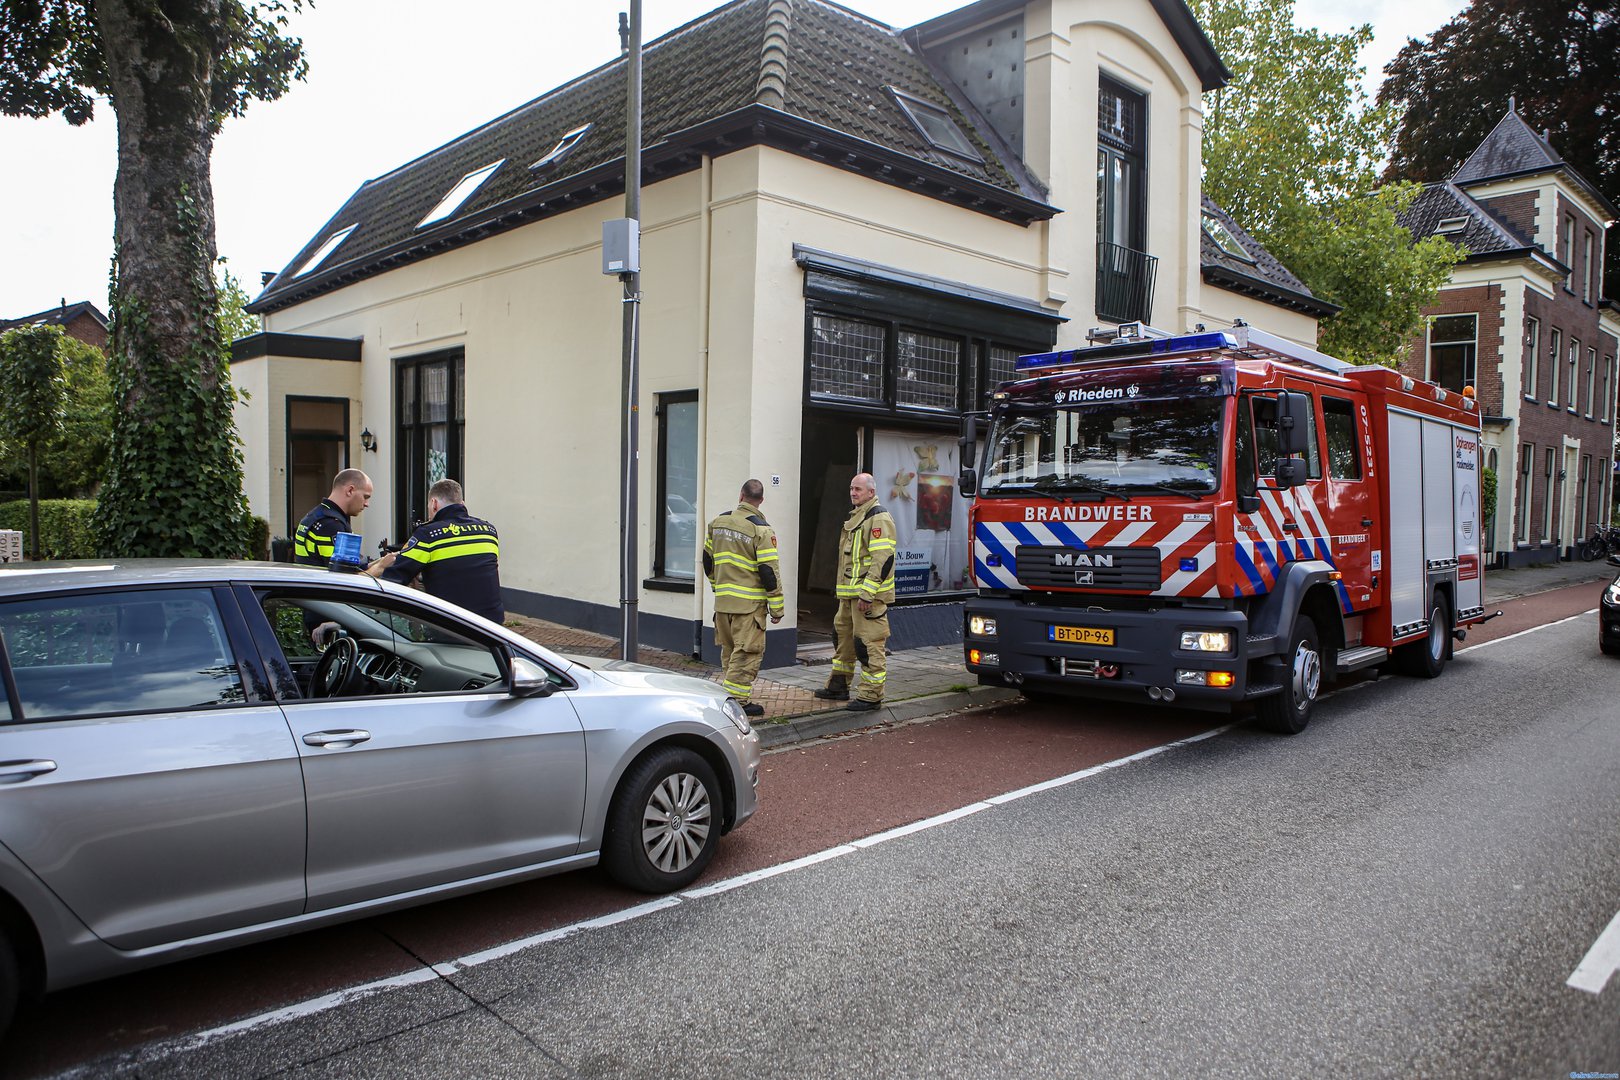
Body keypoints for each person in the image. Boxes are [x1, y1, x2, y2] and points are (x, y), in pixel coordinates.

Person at [814, 472, 896, 711]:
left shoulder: (877, 518)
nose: (853, 492)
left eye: (858, 489)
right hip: (850, 597)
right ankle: (838, 685)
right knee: (843, 641)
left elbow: (883, 559)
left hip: (867, 598)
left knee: (868, 645)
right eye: (851, 488)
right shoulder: (857, 517)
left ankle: (871, 696)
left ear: (871, 492)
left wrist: (867, 594)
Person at [703, 479, 785, 717]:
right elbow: (769, 571)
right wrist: (777, 608)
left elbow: (708, 561)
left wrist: (717, 587)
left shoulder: (717, 523)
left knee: (730, 653)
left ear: (740, 496)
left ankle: (727, 697)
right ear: (761, 501)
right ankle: (736, 702)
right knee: (746, 654)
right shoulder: (761, 530)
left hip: (723, 605)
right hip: (749, 608)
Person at [370, 478, 504, 624]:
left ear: (434, 504)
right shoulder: (489, 531)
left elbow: (394, 579)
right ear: (462, 504)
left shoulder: (428, 535)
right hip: (492, 628)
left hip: (452, 628)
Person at [294, 469, 373, 567]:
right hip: (321, 582)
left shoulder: (315, 515)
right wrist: (381, 567)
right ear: (350, 491)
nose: (367, 504)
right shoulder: (331, 525)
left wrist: (380, 562)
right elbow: (345, 577)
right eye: (365, 497)